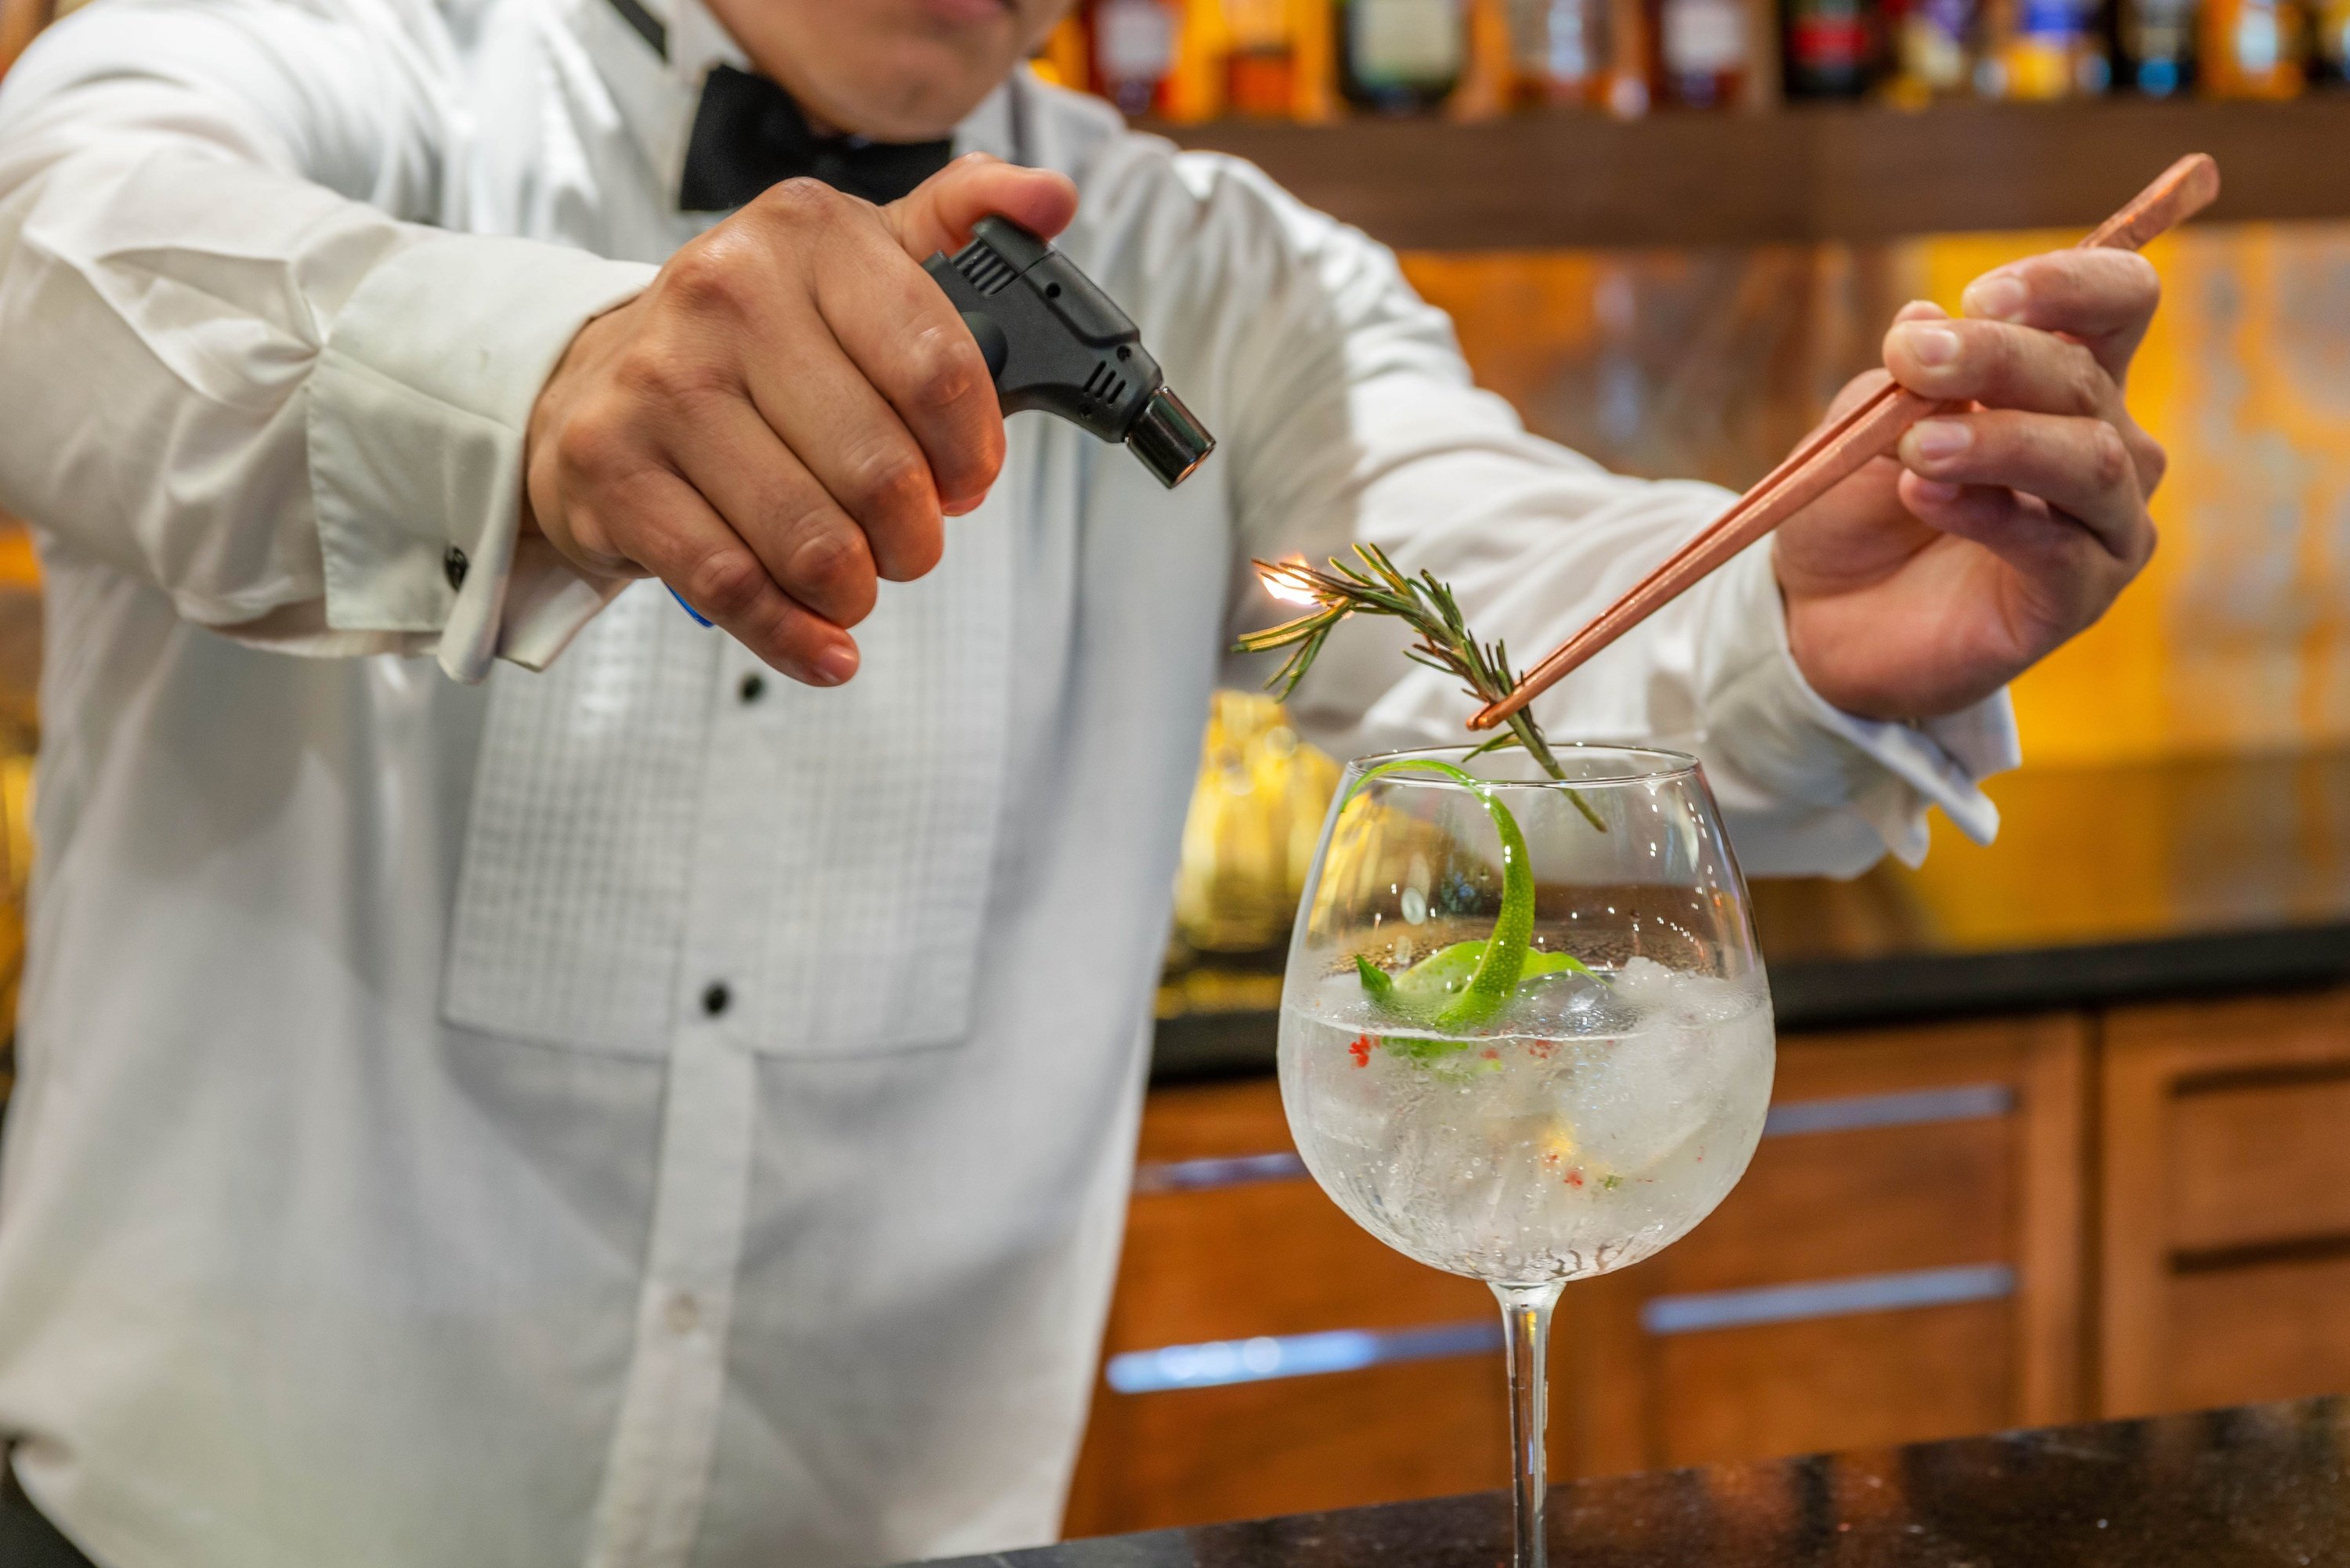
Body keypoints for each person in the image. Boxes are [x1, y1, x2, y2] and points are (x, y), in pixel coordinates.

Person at [0, 0, 2162, 1562]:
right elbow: (60, 255)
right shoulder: (320, 61)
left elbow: (1472, 605)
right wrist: (543, 380)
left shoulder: (1224, 276)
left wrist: (1795, 620)